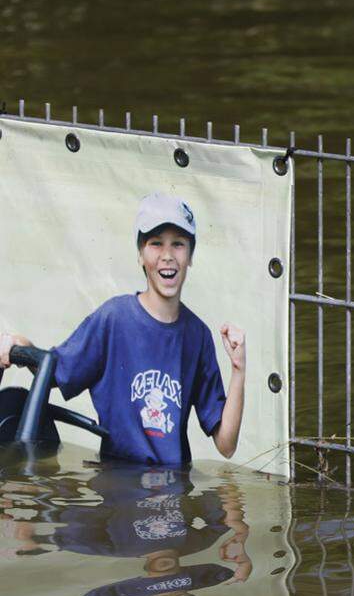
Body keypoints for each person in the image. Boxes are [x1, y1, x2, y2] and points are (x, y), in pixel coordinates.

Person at [0, 193, 246, 465]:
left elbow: (226, 445)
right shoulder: (114, 319)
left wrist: (238, 369)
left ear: (190, 255)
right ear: (140, 254)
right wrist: (19, 344)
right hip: (117, 484)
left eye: (178, 244)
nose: (167, 256)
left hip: (174, 488)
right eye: (155, 244)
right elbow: (54, 373)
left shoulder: (197, 336)